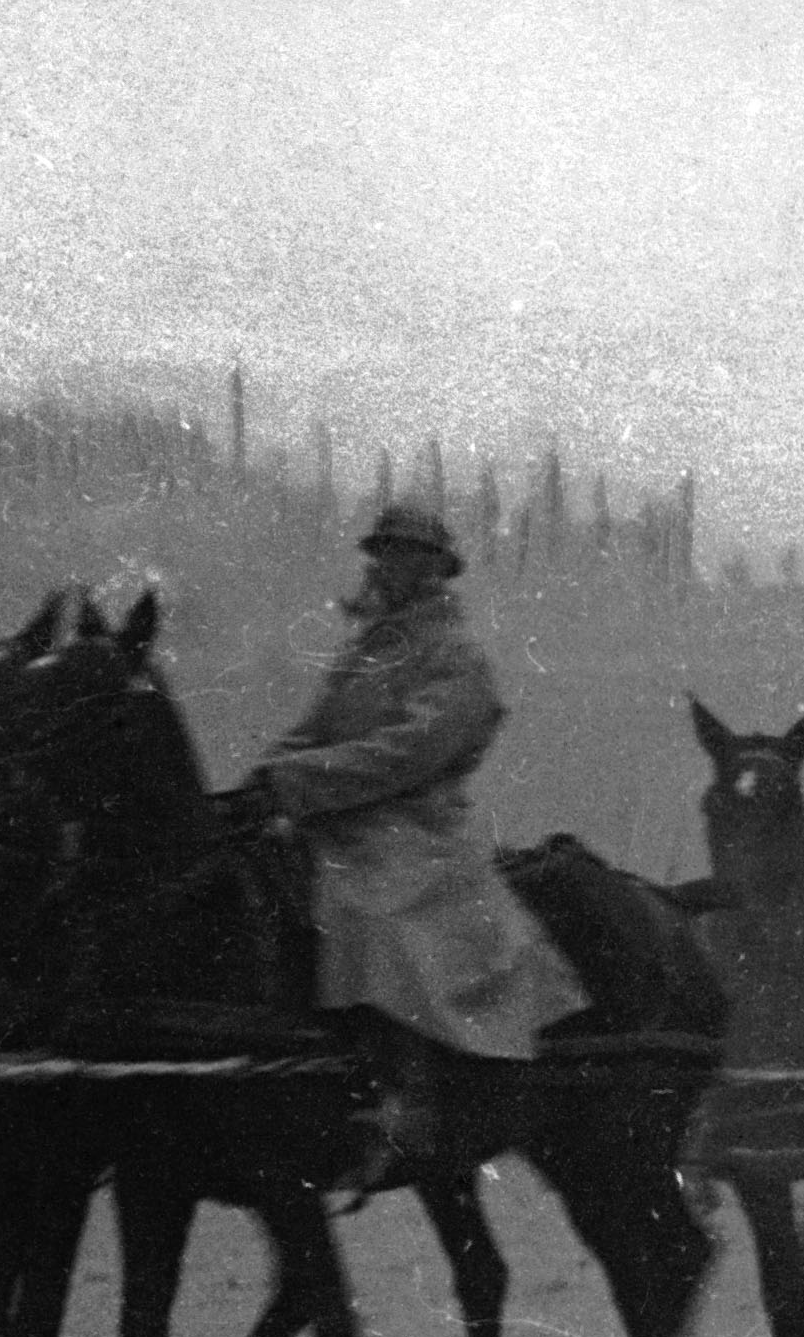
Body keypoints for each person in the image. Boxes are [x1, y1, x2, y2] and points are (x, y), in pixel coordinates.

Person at [236, 501, 564, 1175]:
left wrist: (299, 782)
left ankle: (402, 1093)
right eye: (381, 553)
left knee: (369, 912)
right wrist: (265, 776)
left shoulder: (456, 656)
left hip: (416, 827)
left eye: (404, 555)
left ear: (435, 570)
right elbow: (317, 730)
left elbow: (411, 752)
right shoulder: (368, 650)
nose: (386, 566)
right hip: (340, 816)